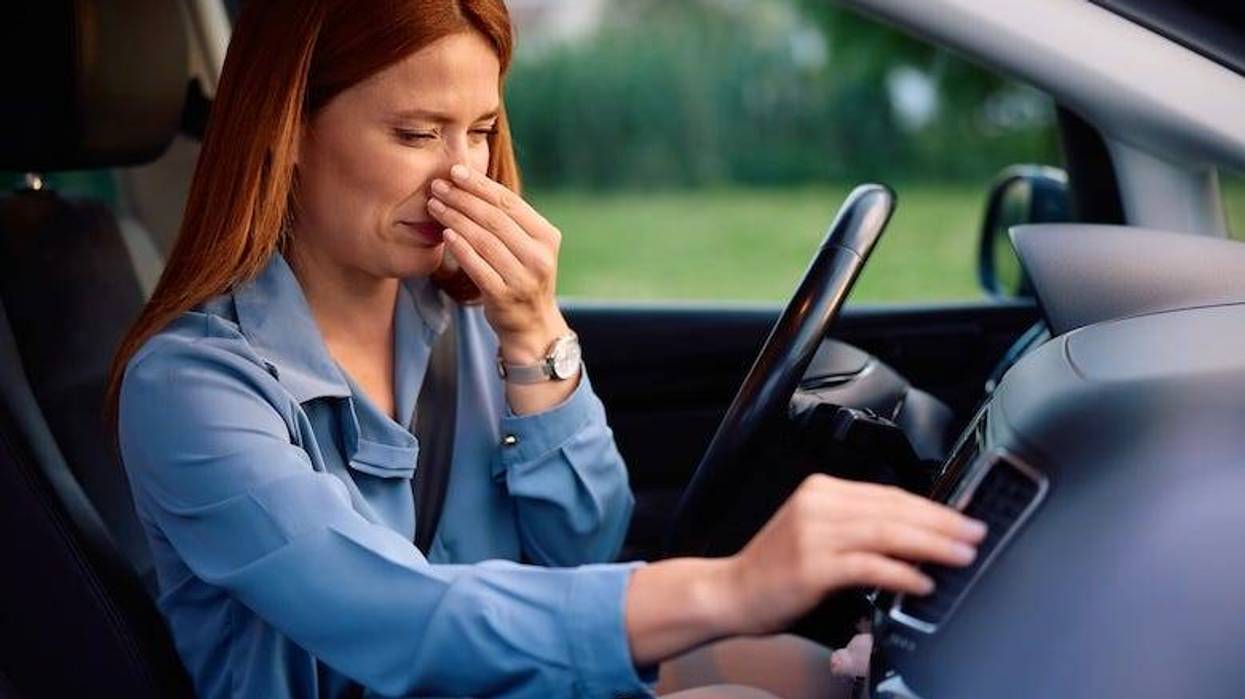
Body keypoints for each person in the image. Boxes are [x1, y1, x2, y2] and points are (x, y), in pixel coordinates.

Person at [106, 1, 985, 697]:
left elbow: (581, 552)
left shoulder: (455, 317)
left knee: (810, 671)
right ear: (289, 132)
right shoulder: (192, 388)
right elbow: (403, 622)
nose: (463, 175)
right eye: (416, 133)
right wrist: (731, 584)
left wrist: (534, 333)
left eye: (480, 130)